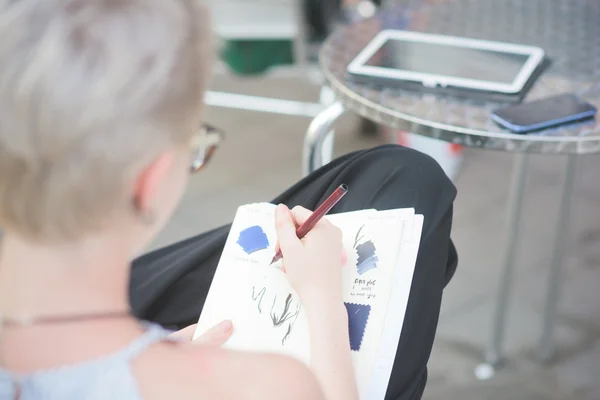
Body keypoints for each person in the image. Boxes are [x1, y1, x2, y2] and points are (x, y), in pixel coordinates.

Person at [0, 1, 457, 400]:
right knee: (413, 193)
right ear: (150, 180)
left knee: (406, 181)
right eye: (197, 147)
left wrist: (152, 355)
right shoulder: (267, 385)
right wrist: (323, 298)